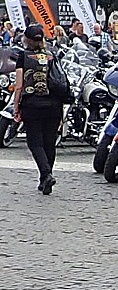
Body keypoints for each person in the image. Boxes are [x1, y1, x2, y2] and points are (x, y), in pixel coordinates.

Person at [11, 23, 65, 194]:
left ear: (26, 39)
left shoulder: (23, 56)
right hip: (54, 104)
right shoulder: (52, 55)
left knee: (34, 142)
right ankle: (45, 179)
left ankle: (46, 174)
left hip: (32, 104)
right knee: (49, 142)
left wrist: (16, 107)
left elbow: (19, 85)